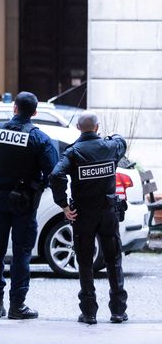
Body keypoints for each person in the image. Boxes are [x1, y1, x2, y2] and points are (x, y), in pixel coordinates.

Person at [0, 91, 57, 320]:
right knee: (22, 254)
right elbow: (53, 173)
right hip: (25, 203)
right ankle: (17, 306)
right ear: (35, 112)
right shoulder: (40, 139)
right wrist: (38, 187)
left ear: (14, 108)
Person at [49, 112, 128, 325]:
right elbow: (121, 140)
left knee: (84, 262)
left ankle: (89, 312)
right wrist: (106, 136)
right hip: (108, 213)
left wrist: (63, 205)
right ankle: (118, 311)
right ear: (97, 127)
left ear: (77, 127)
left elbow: (56, 175)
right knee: (113, 261)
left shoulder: (73, 152)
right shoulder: (110, 147)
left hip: (83, 215)